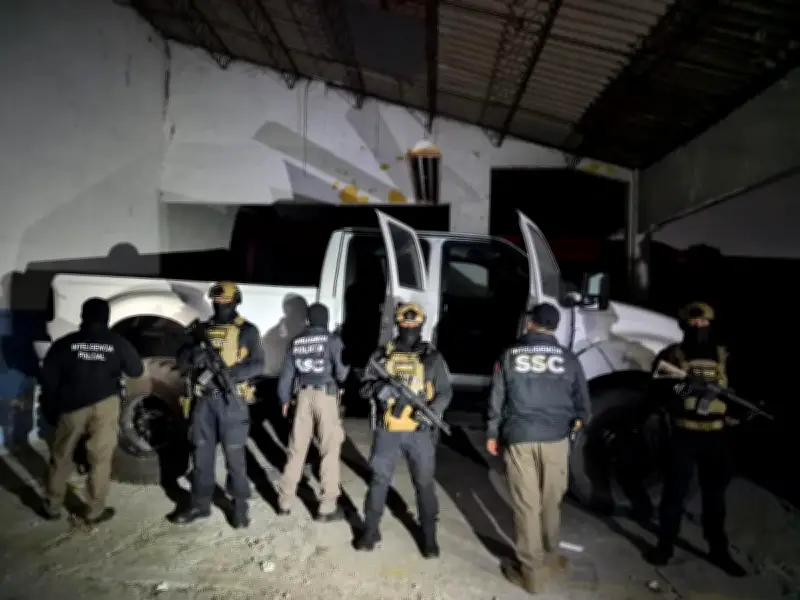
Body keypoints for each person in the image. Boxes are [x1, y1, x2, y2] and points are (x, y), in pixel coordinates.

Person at [486, 302, 591, 594]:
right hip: (556, 439)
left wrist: (492, 433)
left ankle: (531, 572)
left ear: (530, 323)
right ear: (555, 326)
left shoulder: (510, 355)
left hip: (520, 437)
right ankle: (551, 557)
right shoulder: (569, 359)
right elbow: (584, 407)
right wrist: (573, 427)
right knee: (551, 501)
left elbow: (496, 399)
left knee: (526, 504)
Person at [644, 301, 746, 577]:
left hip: (716, 435)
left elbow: (738, 394)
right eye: (694, 323)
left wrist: (736, 414)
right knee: (674, 495)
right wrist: (683, 389)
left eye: (704, 323)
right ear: (685, 325)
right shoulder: (672, 355)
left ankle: (718, 550)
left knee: (715, 498)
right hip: (683, 433)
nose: (699, 327)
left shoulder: (724, 356)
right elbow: (656, 391)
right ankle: (665, 546)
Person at [355, 301, 453, 557]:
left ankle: (429, 538)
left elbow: (444, 392)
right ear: (399, 325)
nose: (409, 329)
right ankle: (370, 532)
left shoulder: (432, 357)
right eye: (405, 324)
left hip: (420, 429)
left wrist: (430, 413)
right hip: (389, 428)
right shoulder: (382, 355)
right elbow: (364, 387)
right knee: (379, 481)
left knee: (424, 484)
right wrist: (381, 388)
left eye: (413, 325)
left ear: (420, 326)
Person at [38, 297, 143, 524]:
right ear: (107, 317)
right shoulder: (117, 342)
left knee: (61, 455)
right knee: (100, 459)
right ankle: (94, 511)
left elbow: (48, 378)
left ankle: (52, 506)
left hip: (71, 406)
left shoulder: (65, 343)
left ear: (83, 316)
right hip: (105, 405)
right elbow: (136, 370)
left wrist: (53, 403)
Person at [170, 281, 265, 529]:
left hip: (232, 401)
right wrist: (195, 355)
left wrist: (230, 374)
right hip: (203, 401)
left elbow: (258, 364)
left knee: (235, 458)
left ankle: (240, 508)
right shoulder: (202, 330)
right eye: (217, 301)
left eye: (225, 301)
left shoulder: (247, 330)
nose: (220, 305)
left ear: (235, 302)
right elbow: (180, 360)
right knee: (201, 455)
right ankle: (199, 504)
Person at [276, 302, 349, 520]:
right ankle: (326, 507)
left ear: (308, 319)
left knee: (296, 450)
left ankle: (284, 502)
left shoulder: (297, 341)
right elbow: (342, 373)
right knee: (329, 450)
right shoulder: (332, 340)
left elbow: (286, 374)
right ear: (325, 319)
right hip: (325, 397)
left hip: (302, 397)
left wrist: (285, 399)